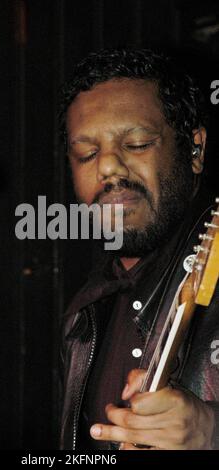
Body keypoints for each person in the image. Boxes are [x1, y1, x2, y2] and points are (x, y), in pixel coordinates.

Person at [58, 48, 219, 450]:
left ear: (195, 149)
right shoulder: (82, 316)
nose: (108, 167)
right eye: (87, 154)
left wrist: (211, 430)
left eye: (137, 143)